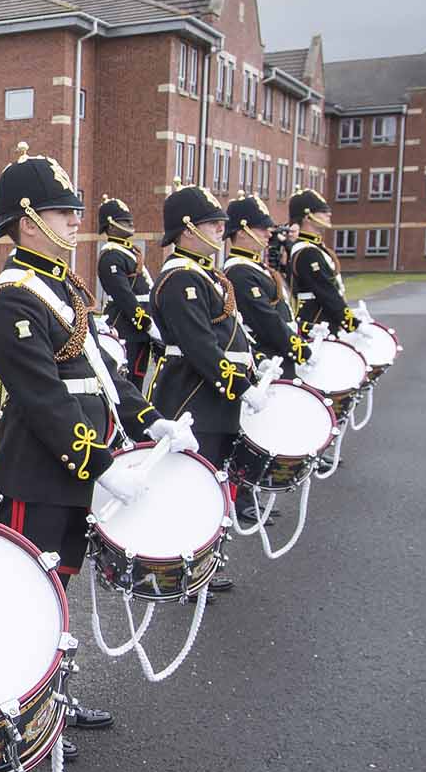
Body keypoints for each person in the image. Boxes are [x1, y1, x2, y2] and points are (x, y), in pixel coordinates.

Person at [0, 147, 186, 752]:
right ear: (26, 221)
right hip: (39, 474)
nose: (75, 221)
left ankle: (51, 703)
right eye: (62, 211)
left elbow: (104, 371)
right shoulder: (12, 298)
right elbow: (44, 399)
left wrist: (150, 420)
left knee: (58, 590)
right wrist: (100, 465)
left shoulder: (61, 288)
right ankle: (7, 718)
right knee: (27, 599)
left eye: (73, 210)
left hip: (75, 474)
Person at [150, 184, 259, 577]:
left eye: (219, 222)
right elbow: (200, 346)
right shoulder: (181, 278)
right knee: (190, 487)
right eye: (210, 223)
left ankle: (202, 565)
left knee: (214, 480)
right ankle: (181, 568)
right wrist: (242, 385)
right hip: (193, 398)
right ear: (186, 229)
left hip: (214, 399)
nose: (219, 229)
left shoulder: (203, 275)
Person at [224, 196, 307, 378]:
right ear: (242, 232)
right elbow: (266, 320)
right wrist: (300, 348)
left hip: (280, 354)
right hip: (268, 358)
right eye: (261, 228)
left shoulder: (255, 267)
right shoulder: (239, 272)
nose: (269, 232)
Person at [94, 196, 162, 388]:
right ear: (110, 225)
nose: (129, 224)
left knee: (137, 378)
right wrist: (147, 324)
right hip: (124, 325)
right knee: (125, 379)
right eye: (123, 221)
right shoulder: (111, 255)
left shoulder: (128, 251)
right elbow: (125, 297)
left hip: (138, 330)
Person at [286, 188, 354, 336]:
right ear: (307, 217)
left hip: (325, 321)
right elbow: (326, 292)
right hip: (317, 322)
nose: (328, 214)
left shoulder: (314, 248)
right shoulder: (307, 252)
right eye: (322, 211)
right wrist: (352, 324)